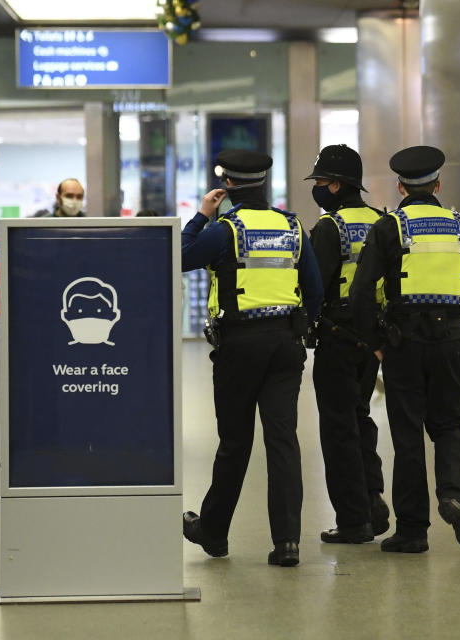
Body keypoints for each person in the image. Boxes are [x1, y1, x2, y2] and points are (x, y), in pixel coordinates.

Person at [349, 146, 460, 553]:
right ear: (438, 185)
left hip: (404, 343)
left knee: (407, 435)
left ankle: (413, 530)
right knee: (451, 425)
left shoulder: (390, 228)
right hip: (452, 341)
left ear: (400, 187)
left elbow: (361, 292)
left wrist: (376, 344)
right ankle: (455, 495)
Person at [180, 150, 324, 567]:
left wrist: (201, 216)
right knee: (283, 441)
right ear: (264, 181)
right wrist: (296, 331)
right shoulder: (292, 226)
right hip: (285, 346)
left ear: (226, 186)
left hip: (239, 347)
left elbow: (181, 256)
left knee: (235, 441)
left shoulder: (226, 229)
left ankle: (214, 533)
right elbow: (313, 292)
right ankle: (287, 543)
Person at [305, 144, 390, 544]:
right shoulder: (381, 221)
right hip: (371, 337)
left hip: (337, 336)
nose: (318, 188)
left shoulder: (329, 227)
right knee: (360, 417)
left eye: (321, 181)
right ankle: (372, 499)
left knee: (338, 428)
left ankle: (354, 520)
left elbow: (315, 287)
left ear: (337, 185)